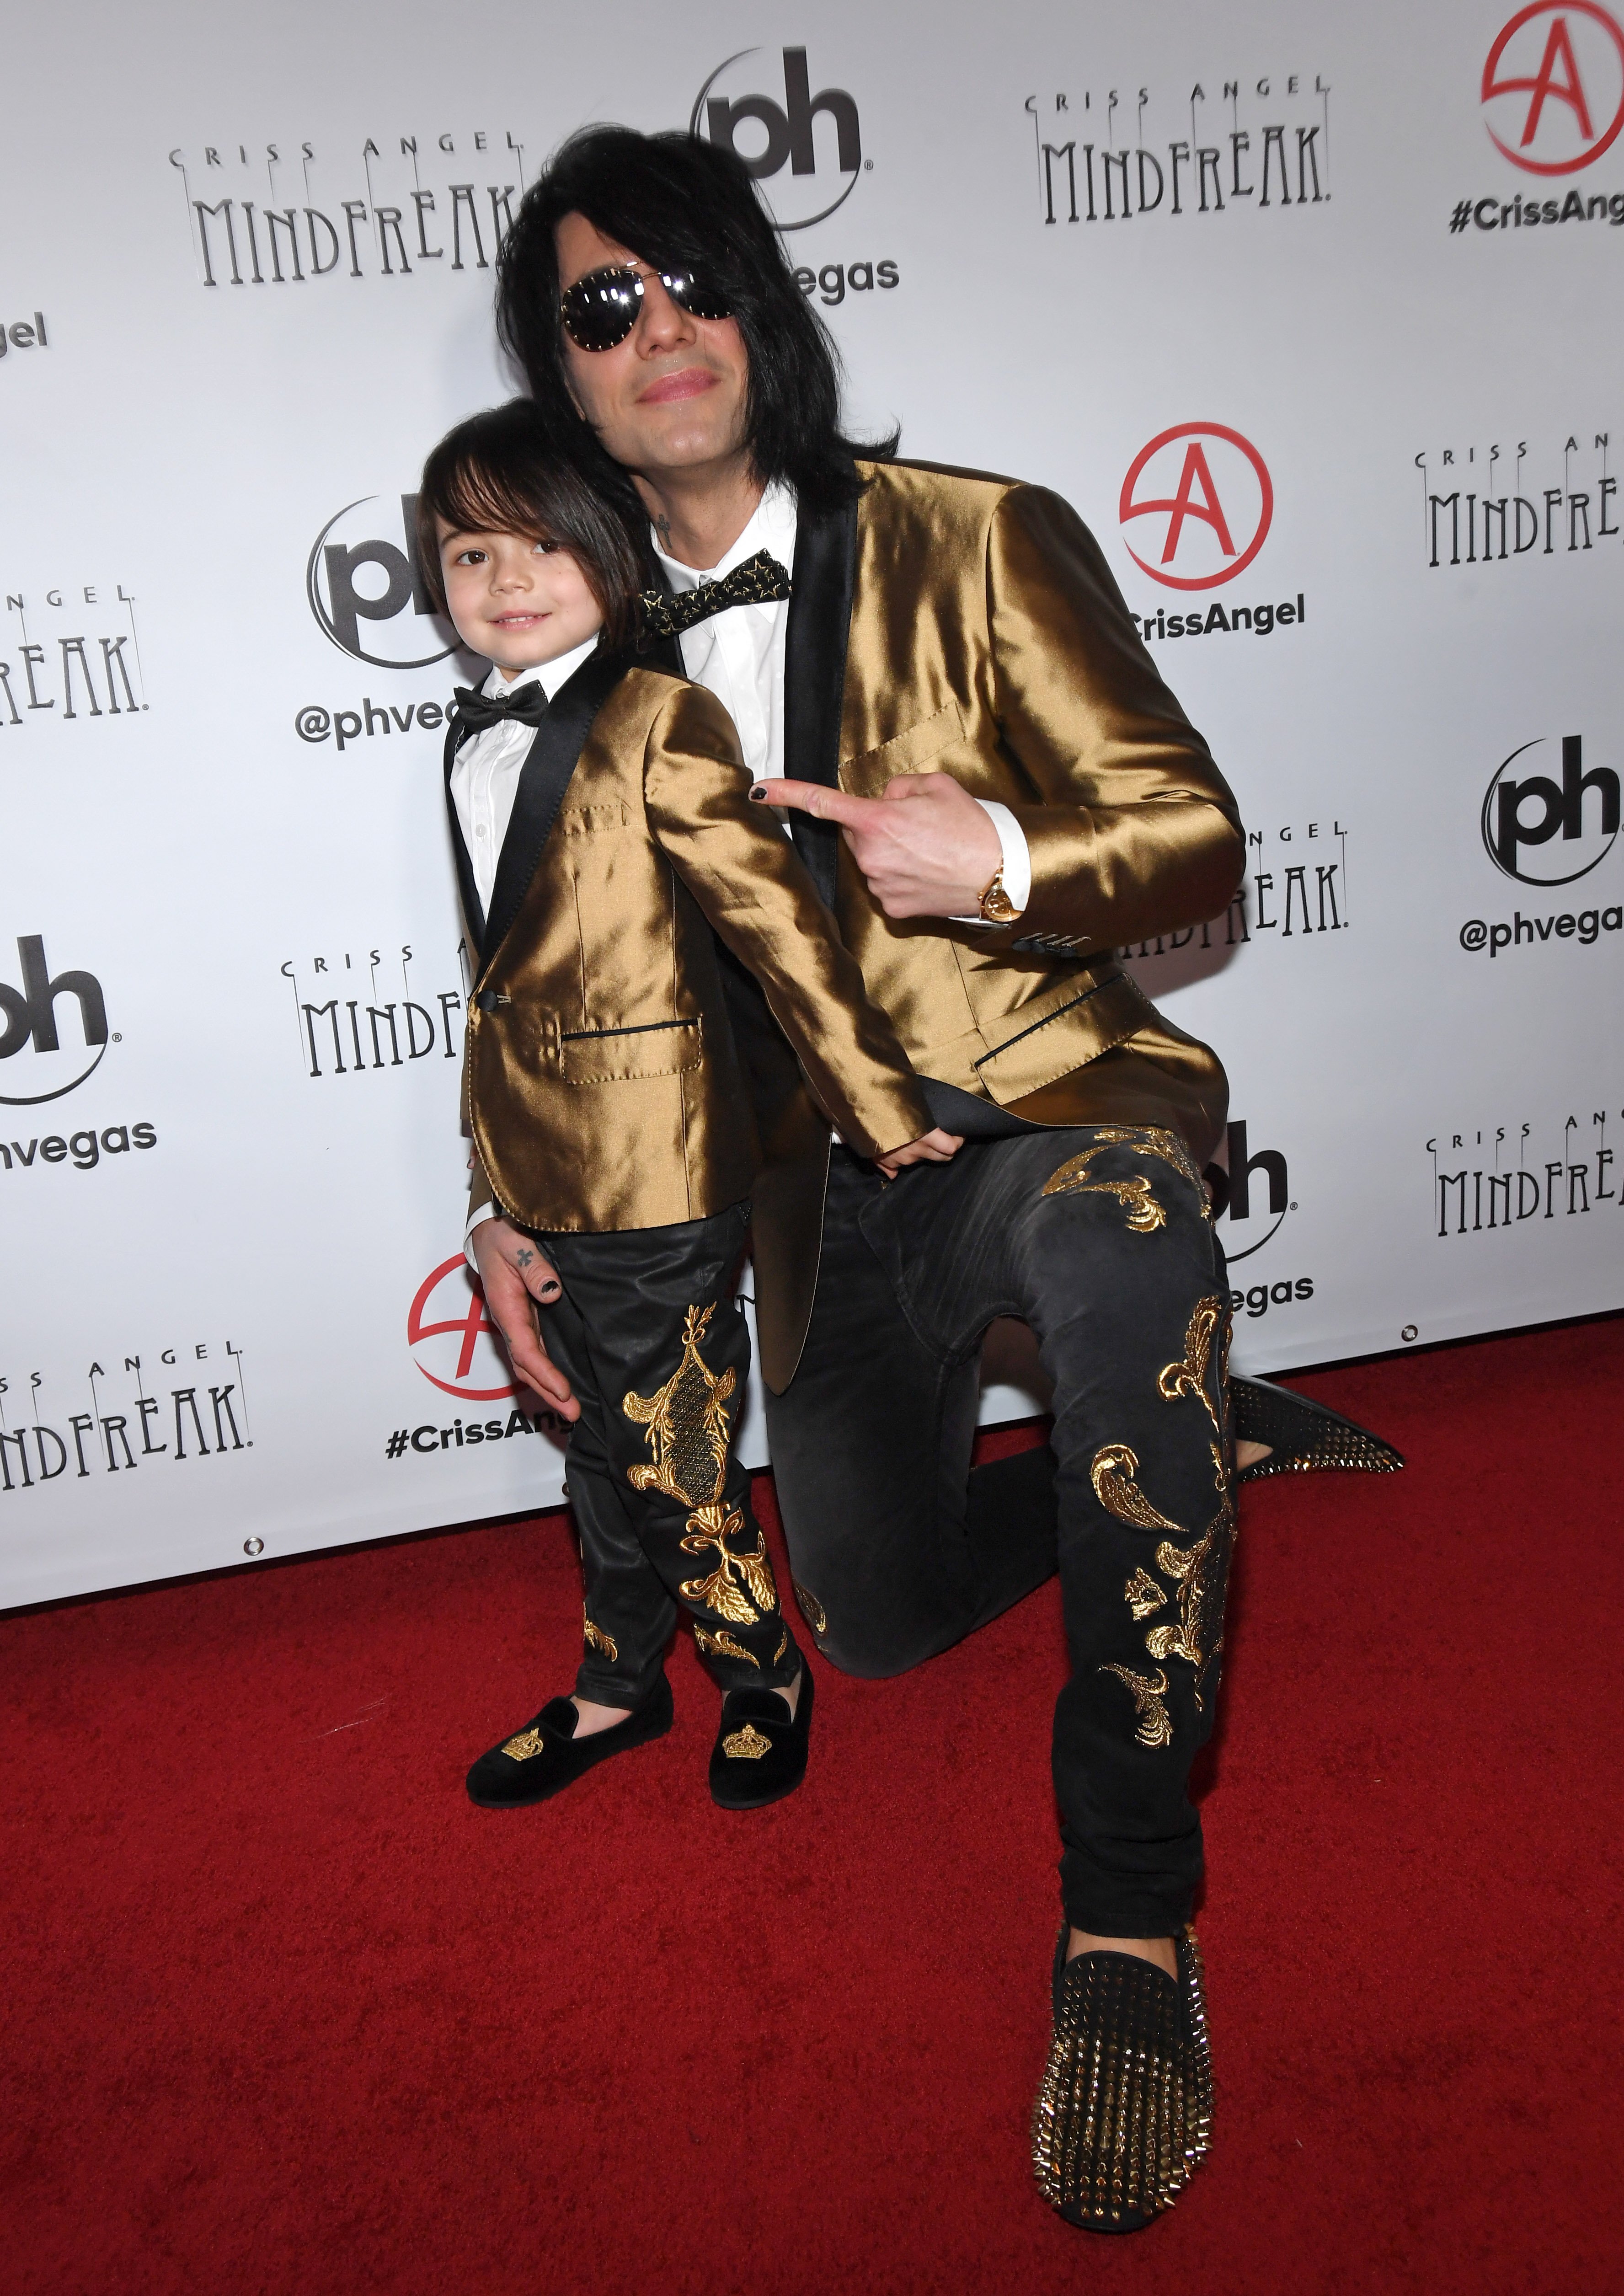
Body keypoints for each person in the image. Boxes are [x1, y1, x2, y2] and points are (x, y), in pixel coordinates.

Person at [474, 126, 1398, 2232]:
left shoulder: (982, 537)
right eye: (604, 306)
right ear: (562, 371)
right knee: (876, 1621)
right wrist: (509, 1200)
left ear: (761, 312)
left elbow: (1196, 841)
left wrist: (990, 860)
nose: (663, 331)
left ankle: (1134, 1925)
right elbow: (537, 973)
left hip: (1036, 1112)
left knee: (1125, 1245)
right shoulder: (565, 659)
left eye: (695, 283)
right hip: (799, 1198)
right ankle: (1180, 1446)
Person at [422, 400, 958, 1817]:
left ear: (611, 552)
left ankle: (762, 1673)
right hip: (539, 1166)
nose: (510, 579)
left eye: (544, 542)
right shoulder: (464, 739)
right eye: (471, 553)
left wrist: (876, 1103)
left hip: (660, 1167)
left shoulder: (666, 718)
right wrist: (488, 1198)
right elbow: (497, 985)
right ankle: (618, 1681)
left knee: (673, 1449)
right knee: (598, 1446)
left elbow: (781, 927)